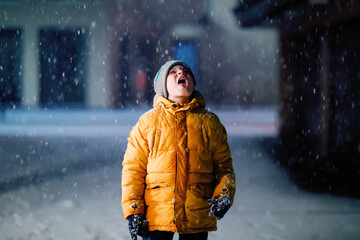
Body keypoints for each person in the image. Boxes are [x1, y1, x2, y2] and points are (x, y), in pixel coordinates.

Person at [121, 60, 236, 240]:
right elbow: (133, 170)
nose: (181, 74)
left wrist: (224, 194)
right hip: (157, 214)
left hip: (196, 211)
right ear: (163, 86)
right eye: (173, 72)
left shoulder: (210, 123)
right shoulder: (148, 123)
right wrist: (134, 209)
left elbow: (223, 168)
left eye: (186, 72)